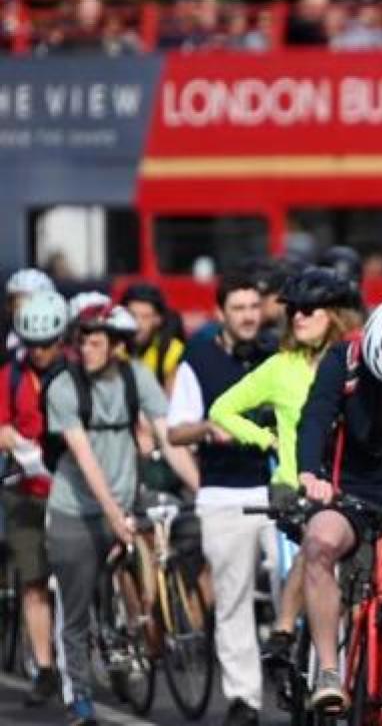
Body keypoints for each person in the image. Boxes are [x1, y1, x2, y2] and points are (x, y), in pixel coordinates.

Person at [45, 303, 197, 726]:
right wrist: (113, 514)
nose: (86, 350)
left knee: (153, 549)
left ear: (115, 345)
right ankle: (79, 697)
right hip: (76, 507)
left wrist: (202, 490)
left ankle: (136, 627)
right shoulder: (64, 386)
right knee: (73, 607)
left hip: (125, 500)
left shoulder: (135, 378)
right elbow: (84, 456)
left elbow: (168, 439)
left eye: (96, 342)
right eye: (82, 341)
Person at [209, 267, 360, 663]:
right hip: (293, 485)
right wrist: (265, 439)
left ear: (336, 315)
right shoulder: (280, 367)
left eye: (310, 309)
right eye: (294, 309)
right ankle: (283, 629)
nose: (299, 317)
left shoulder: (356, 361)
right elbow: (221, 410)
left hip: (347, 484)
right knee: (313, 546)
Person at [297, 301, 382, 712]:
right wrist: (308, 474)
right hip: (351, 488)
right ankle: (330, 670)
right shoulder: (343, 358)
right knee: (318, 543)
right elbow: (317, 416)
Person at [166, 273, 277, 726]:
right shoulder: (199, 359)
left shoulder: (276, 354)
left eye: (254, 306)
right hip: (223, 495)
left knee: (298, 585)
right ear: (221, 314)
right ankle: (244, 700)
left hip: (277, 491)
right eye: (239, 308)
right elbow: (176, 430)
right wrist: (210, 429)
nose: (249, 316)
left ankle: (304, 680)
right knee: (232, 599)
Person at [0, 291, 70, 705]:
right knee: (33, 580)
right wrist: (14, 442)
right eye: (33, 345)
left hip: (73, 490)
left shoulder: (75, 375)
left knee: (81, 575)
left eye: (48, 344)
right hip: (27, 491)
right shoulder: (10, 377)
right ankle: (44, 666)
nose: (40, 353)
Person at [121, 283, 184, 392]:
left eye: (145, 317)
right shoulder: (115, 348)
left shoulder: (171, 351)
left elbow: (173, 403)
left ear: (158, 319)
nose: (138, 324)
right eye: (132, 315)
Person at [4, 268, 56, 363]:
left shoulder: (58, 345)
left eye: (28, 307)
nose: (19, 313)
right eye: (14, 306)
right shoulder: (6, 339)